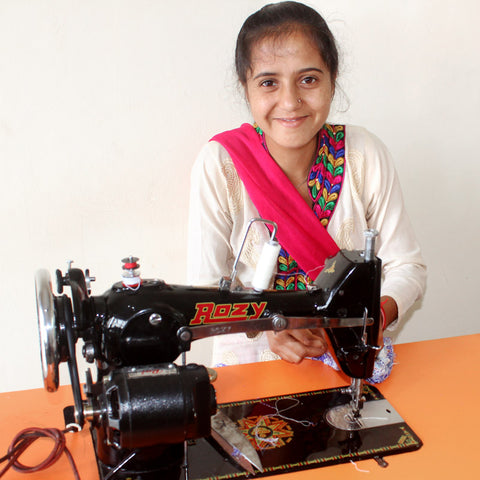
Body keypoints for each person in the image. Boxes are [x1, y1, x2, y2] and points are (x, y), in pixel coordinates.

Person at [187, 1, 426, 372]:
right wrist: (267, 327)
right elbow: (203, 293)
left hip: (348, 364)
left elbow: (406, 265)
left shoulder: (364, 154)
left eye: (309, 79)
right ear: (246, 89)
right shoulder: (221, 165)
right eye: (269, 82)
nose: (290, 101)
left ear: (332, 80)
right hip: (252, 368)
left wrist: (369, 321)